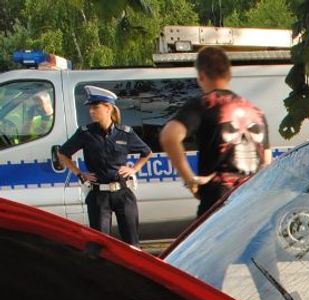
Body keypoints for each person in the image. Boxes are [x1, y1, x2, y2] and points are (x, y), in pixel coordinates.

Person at [160, 46, 271, 217]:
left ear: (201, 75)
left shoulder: (204, 104)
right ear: (229, 74)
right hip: (253, 198)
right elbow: (266, 159)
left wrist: (190, 180)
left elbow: (169, 136)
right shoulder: (255, 111)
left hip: (218, 199)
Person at [56, 86, 152, 246]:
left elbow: (147, 152)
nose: (91, 111)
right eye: (90, 108)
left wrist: (134, 169)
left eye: (95, 107)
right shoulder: (85, 133)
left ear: (108, 108)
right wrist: (80, 173)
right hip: (99, 196)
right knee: (99, 244)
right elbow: (63, 153)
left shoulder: (125, 133)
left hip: (123, 193)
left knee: (132, 244)